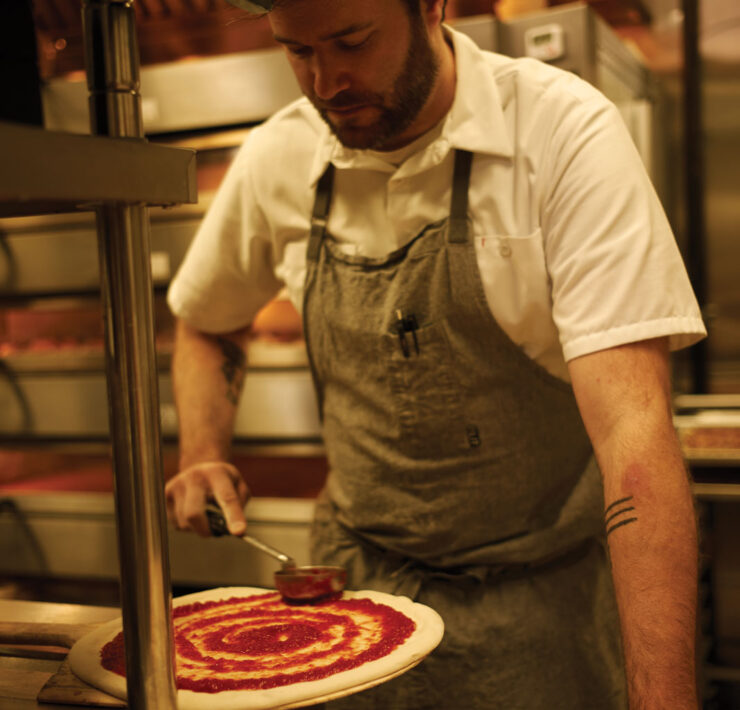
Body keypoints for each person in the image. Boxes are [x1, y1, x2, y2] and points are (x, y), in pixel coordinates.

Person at [164, 0, 706, 707]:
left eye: (352, 42)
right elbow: (207, 319)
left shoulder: (561, 132)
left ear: (433, 7)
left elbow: (634, 436)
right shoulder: (281, 154)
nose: (326, 82)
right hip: (350, 594)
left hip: (539, 603)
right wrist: (202, 450)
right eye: (297, 52)